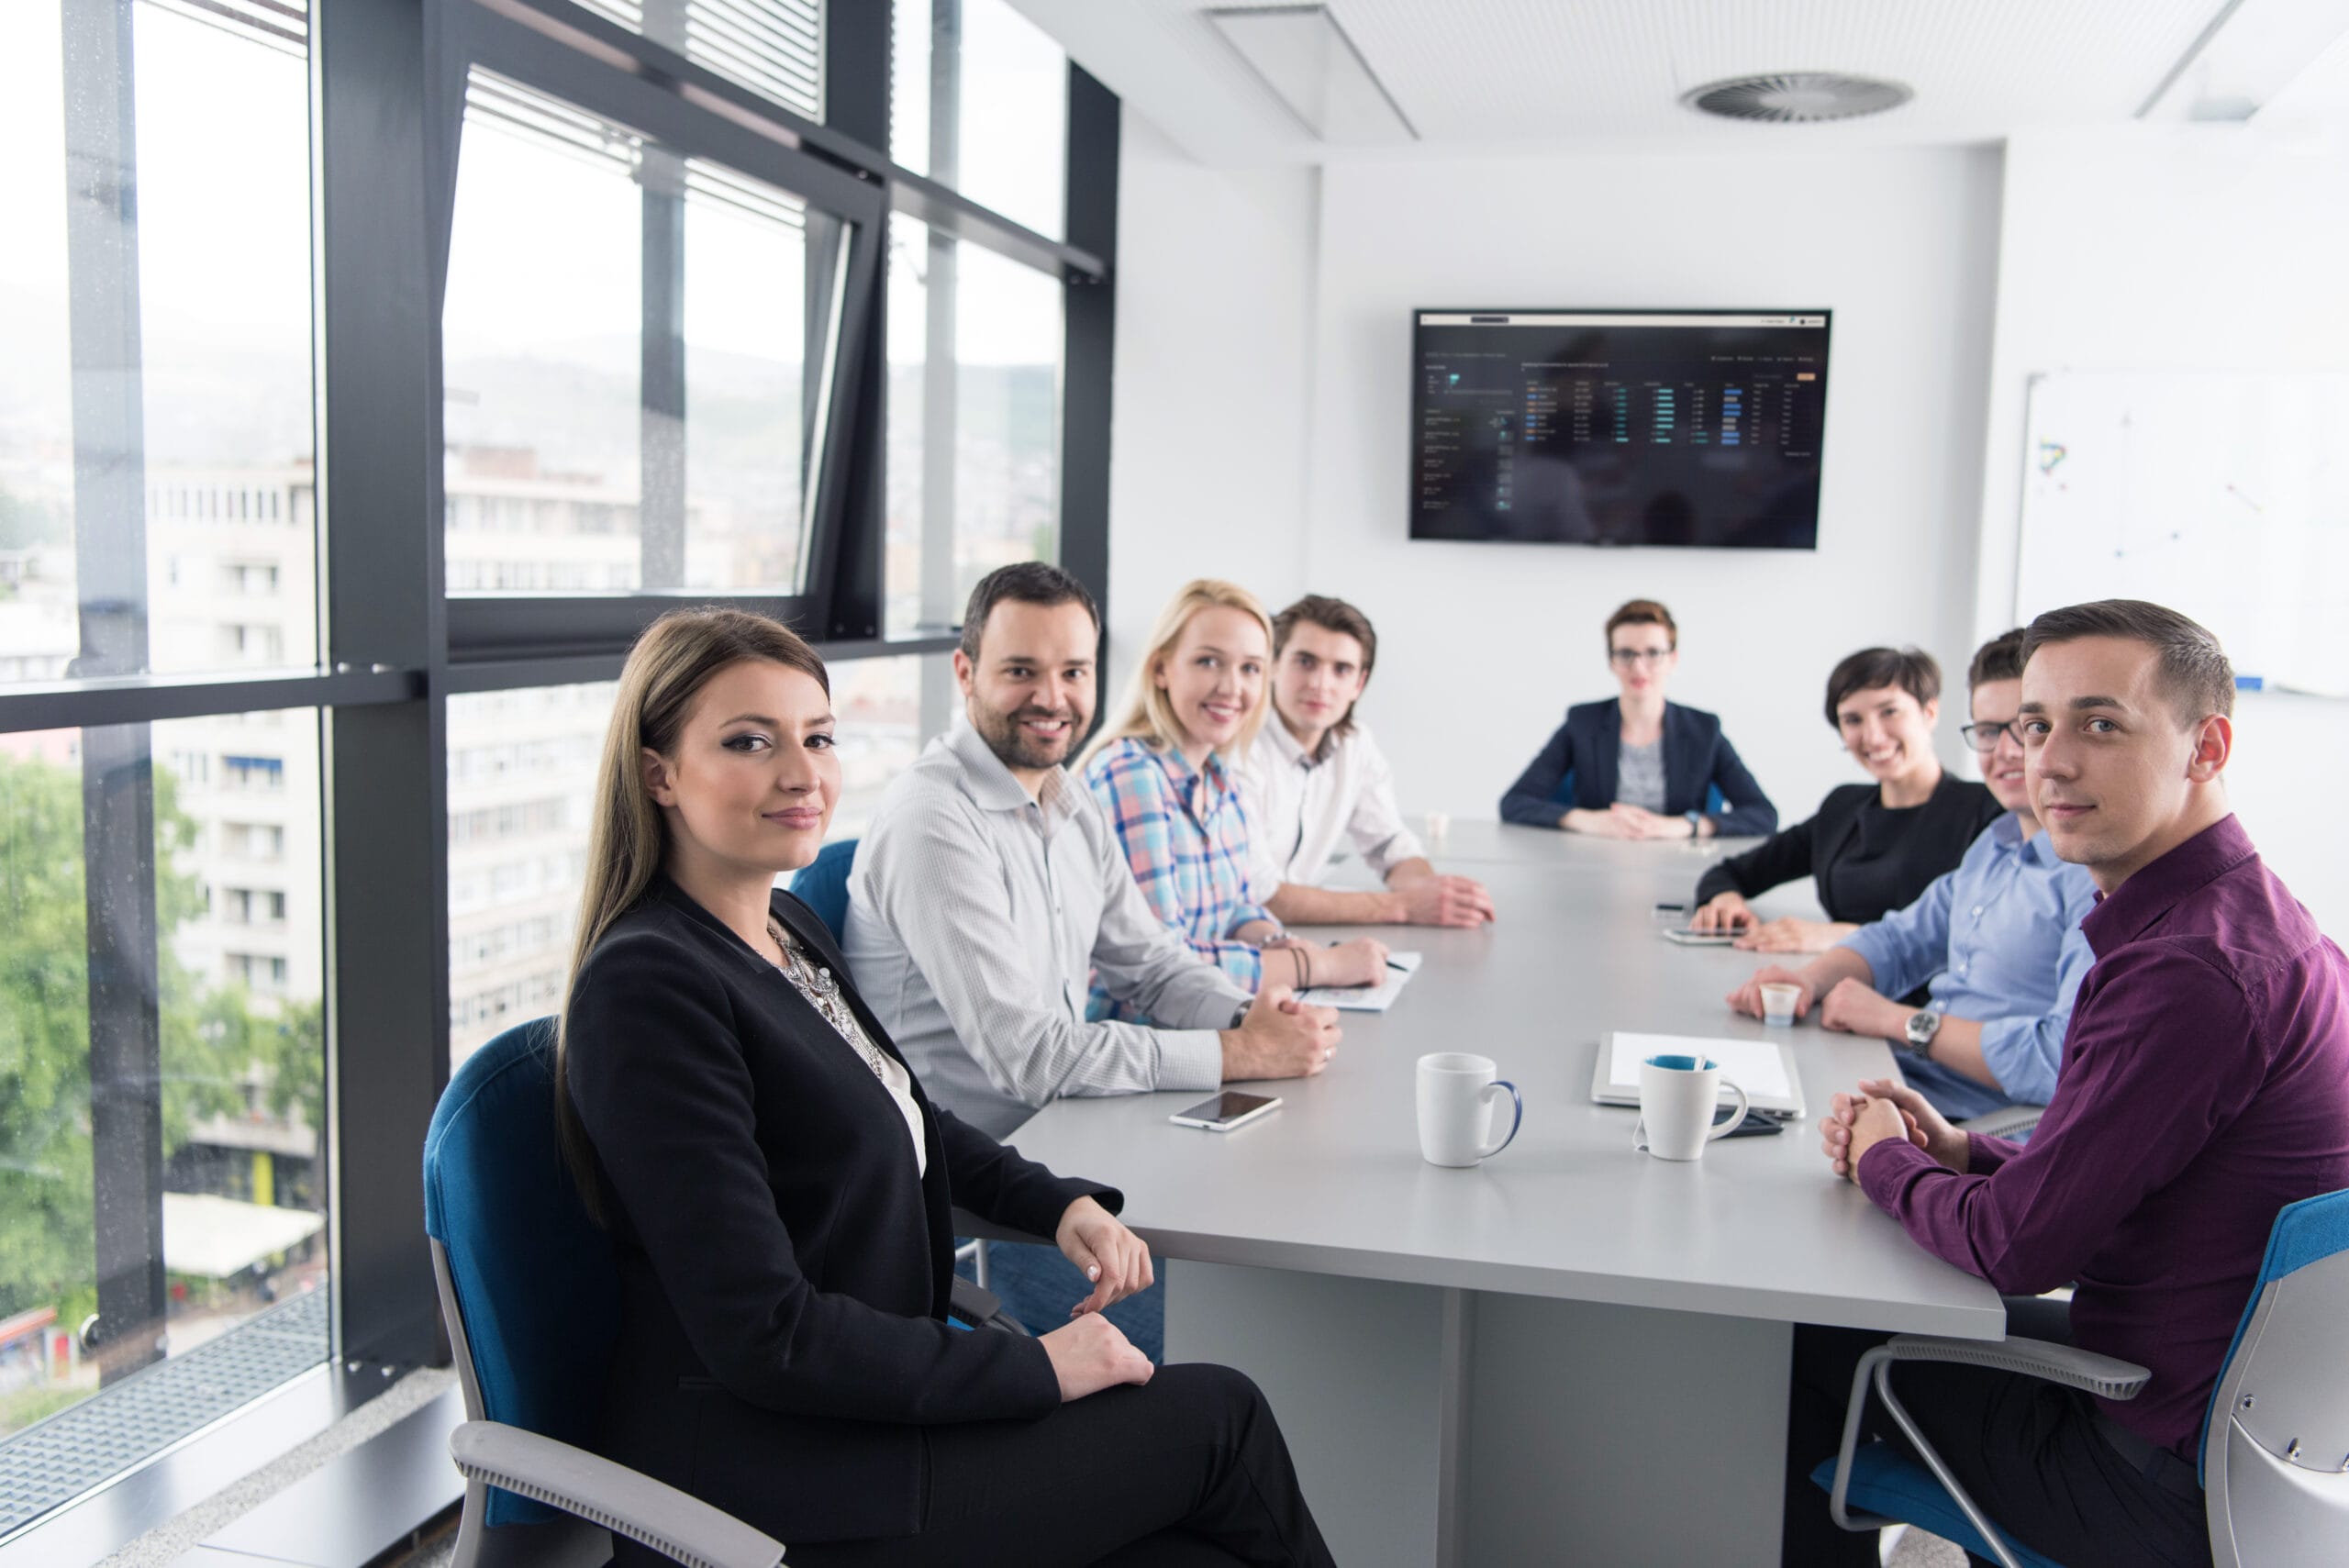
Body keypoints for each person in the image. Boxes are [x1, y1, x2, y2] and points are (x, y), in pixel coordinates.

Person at [558, 607, 1337, 1567]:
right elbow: (766, 1333)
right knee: (1222, 1417)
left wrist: (1058, 1205)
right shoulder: (648, 987)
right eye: (749, 741)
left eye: (819, 736)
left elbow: (907, 1114)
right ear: (657, 772)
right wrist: (1035, 1365)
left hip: (876, 1411)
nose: (802, 773)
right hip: (777, 1478)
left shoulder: (785, 927)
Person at [1782, 600, 2349, 1568]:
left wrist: (1881, 1160)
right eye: (2033, 724)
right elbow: (2146, 1173)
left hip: (2147, 1464)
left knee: (1783, 1347)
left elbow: (2013, 1245)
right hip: (2228, 1423)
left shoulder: (2189, 973)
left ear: (2205, 745)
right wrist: (1964, 1151)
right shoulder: (2244, 922)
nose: (2047, 759)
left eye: (2100, 723)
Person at [846, 564, 1343, 1354]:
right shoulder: (932, 822)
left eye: (1073, 671)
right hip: (991, 1197)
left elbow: (1148, 963)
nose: (1053, 696)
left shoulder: (1066, 800)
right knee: (1258, 1326)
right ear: (966, 672)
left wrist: (1248, 1013)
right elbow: (1031, 1057)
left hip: (1080, 1143)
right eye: (1021, 671)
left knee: (1298, 1233)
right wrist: (1239, 1051)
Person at [1725, 630, 2097, 1122]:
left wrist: (1898, 1020)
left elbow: (2055, 1062)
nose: (2005, 750)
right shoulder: (1996, 844)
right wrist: (1806, 982)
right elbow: (1901, 939)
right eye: (1988, 731)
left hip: (1974, 1124)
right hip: (1908, 1076)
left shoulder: (2089, 876)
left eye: (2027, 727)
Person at [1080, 579, 1388, 1019]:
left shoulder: (1219, 777)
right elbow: (1164, 971)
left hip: (1207, 1029)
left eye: (1250, 669)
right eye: (1208, 662)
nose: (1232, 688)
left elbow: (1238, 904)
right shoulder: (1131, 775)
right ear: (1161, 669)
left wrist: (1273, 941)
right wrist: (1315, 964)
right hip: (1138, 1047)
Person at [1691, 646, 2003, 953]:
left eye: (1889, 712)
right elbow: (1731, 873)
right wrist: (1724, 899)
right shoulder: (1842, 807)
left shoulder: (1985, 812)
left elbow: (1986, 931)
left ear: (1929, 712)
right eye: (1853, 720)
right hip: (1833, 985)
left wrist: (1841, 937)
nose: (1873, 736)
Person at [1236, 594, 1496, 928]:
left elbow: (1387, 842)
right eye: (1305, 662)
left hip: (1292, 936)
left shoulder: (1354, 743)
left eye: (1341, 669)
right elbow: (1258, 893)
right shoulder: (1239, 747)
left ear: (1359, 683)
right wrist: (1404, 906)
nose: (1320, 684)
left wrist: (1437, 895)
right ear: (1273, 665)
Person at [1498, 597, 1776, 839]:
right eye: (1625, 654)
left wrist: (1685, 826)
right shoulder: (1582, 723)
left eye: (1653, 653)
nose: (1638, 667)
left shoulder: (1704, 730)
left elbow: (1763, 814)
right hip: (1595, 864)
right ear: (1611, 660)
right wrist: (1590, 821)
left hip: (1677, 866)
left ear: (1673, 659)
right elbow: (1515, 802)